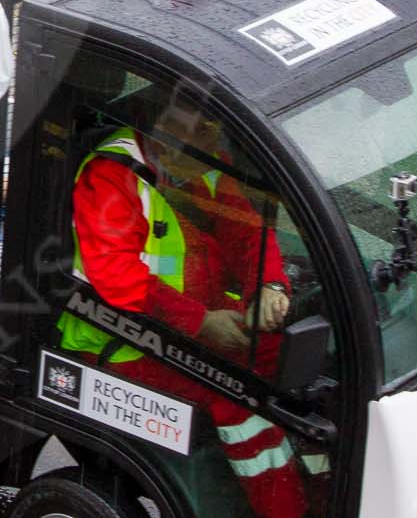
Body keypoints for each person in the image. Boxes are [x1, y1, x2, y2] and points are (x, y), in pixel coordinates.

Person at [57, 98, 305, 518]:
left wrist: (269, 285)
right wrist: (201, 324)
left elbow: (244, 231)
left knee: (296, 367)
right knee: (240, 396)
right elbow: (118, 276)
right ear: (166, 142)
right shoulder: (110, 177)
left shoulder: (196, 160)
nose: (216, 166)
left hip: (187, 325)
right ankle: (284, 510)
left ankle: (321, 490)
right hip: (124, 339)